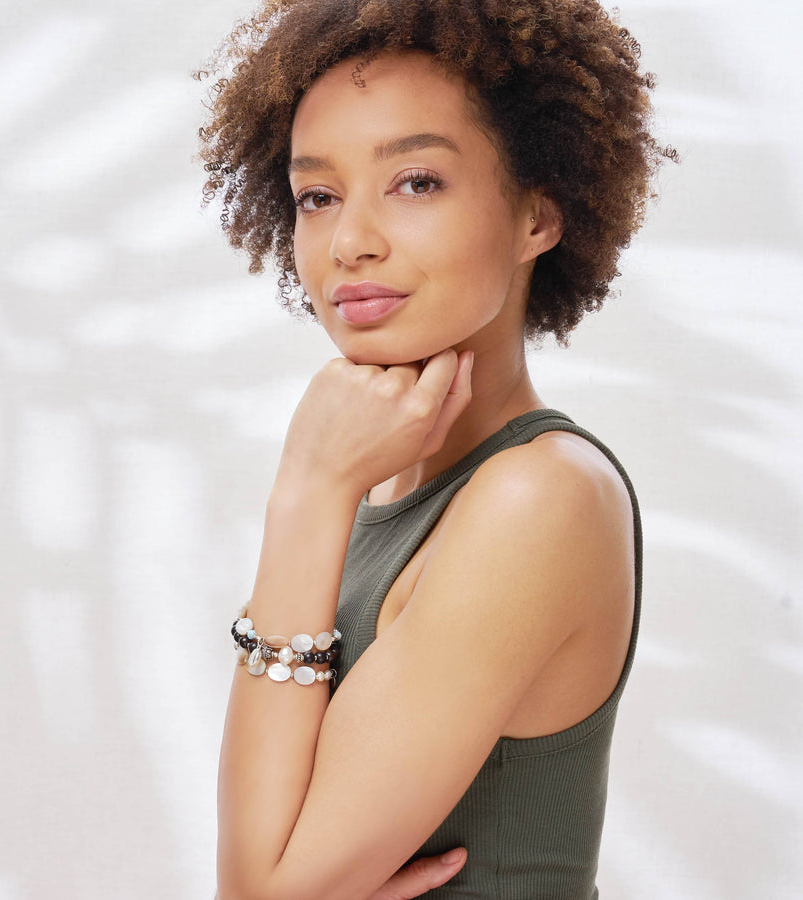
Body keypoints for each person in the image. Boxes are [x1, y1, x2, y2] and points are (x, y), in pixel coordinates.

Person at [198, 0, 674, 896]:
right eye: (318, 196)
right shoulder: (384, 491)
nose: (351, 242)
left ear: (539, 215)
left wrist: (306, 490)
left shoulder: (538, 498)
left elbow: (257, 893)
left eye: (416, 181)